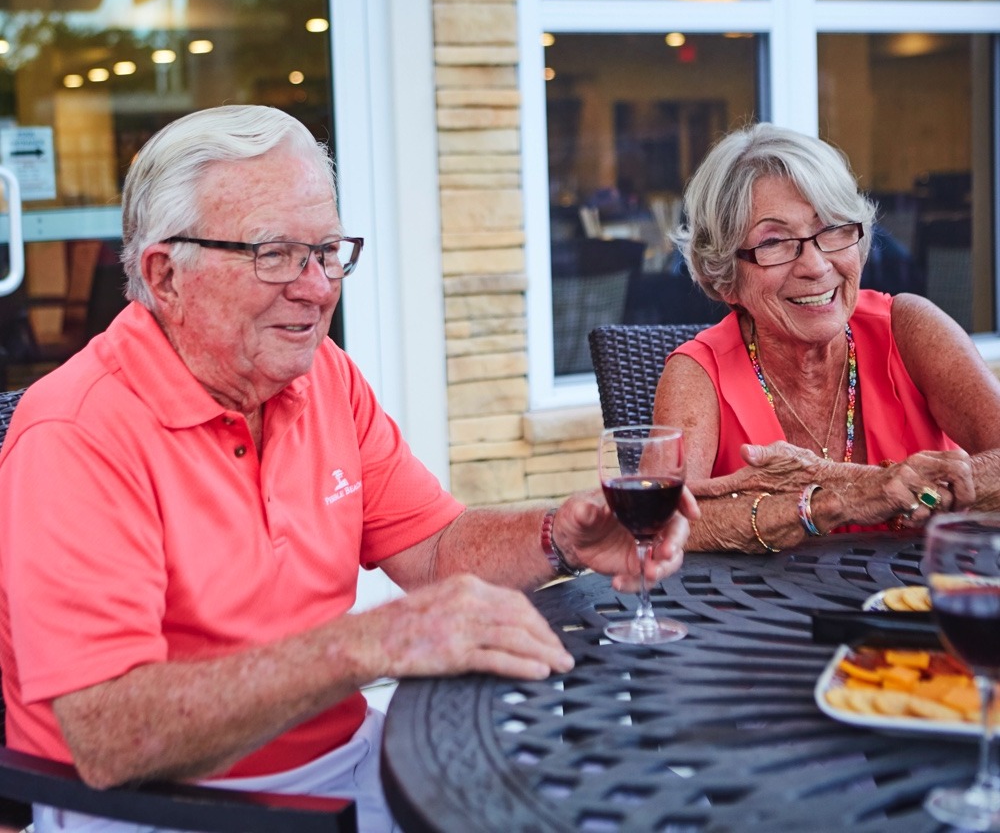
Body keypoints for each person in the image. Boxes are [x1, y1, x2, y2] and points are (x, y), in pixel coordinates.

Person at [0, 105, 697, 833]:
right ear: (165, 275)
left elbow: (435, 552)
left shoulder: (323, 378)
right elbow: (110, 735)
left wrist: (559, 535)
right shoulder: (76, 432)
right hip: (158, 808)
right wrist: (374, 640)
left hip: (348, 770)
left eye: (328, 251)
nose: (318, 286)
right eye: (275, 254)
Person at [653, 121, 1000, 553]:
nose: (816, 266)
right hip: (766, 615)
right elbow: (658, 524)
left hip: (924, 604)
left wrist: (928, 489)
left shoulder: (909, 328)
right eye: (775, 241)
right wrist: (834, 501)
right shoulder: (697, 375)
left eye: (834, 228)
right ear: (724, 277)